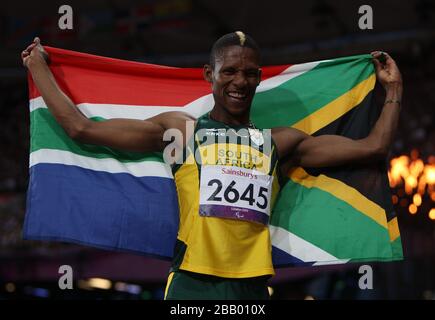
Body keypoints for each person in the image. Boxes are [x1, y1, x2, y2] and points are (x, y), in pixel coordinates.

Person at [22, 31, 402, 300]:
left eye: (251, 73)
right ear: (210, 75)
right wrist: (38, 67)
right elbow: (81, 128)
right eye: (230, 71)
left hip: (252, 285)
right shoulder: (181, 132)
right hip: (192, 283)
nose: (241, 81)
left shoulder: (280, 142)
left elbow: (373, 148)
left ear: (259, 77)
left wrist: (393, 90)